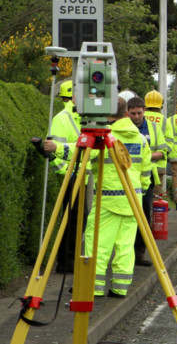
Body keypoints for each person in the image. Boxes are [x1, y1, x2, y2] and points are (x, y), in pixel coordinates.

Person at [47, 97, 152, 298]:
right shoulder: (140, 138)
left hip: (108, 201)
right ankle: (120, 288)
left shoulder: (106, 138)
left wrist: (56, 148)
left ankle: (93, 287)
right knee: (125, 247)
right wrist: (140, 191)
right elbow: (146, 173)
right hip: (133, 201)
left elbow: (81, 151)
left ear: (109, 114)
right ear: (126, 113)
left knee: (98, 245)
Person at [47, 80, 83, 274]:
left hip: (82, 176)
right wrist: (67, 173)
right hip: (71, 176)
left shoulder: (79, 117)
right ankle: (66, 261)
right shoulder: (63, 118)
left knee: (79, 220)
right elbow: (54, 154)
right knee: (72, 220)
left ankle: (70, 259)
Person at [127, 96, 168, 266]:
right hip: (126, 178)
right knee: (127, 216)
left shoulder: (153, 128)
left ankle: (140, 253)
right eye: (132, 113)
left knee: (143, 215)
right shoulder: (124, 127)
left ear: (144, 111)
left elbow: (164, 150)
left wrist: (145, 156)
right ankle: (126, 254)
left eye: (138, 113)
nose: (136, 116)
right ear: (127, 113)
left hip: (146, 178)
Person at [143, 90, 172, 200]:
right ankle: (155, 216)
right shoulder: (165, 121)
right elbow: (169, 143)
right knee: (156, 195)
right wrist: (162, 154)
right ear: (161, 105)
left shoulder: (139, 117)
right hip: (158, 165)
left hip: (140, 164)